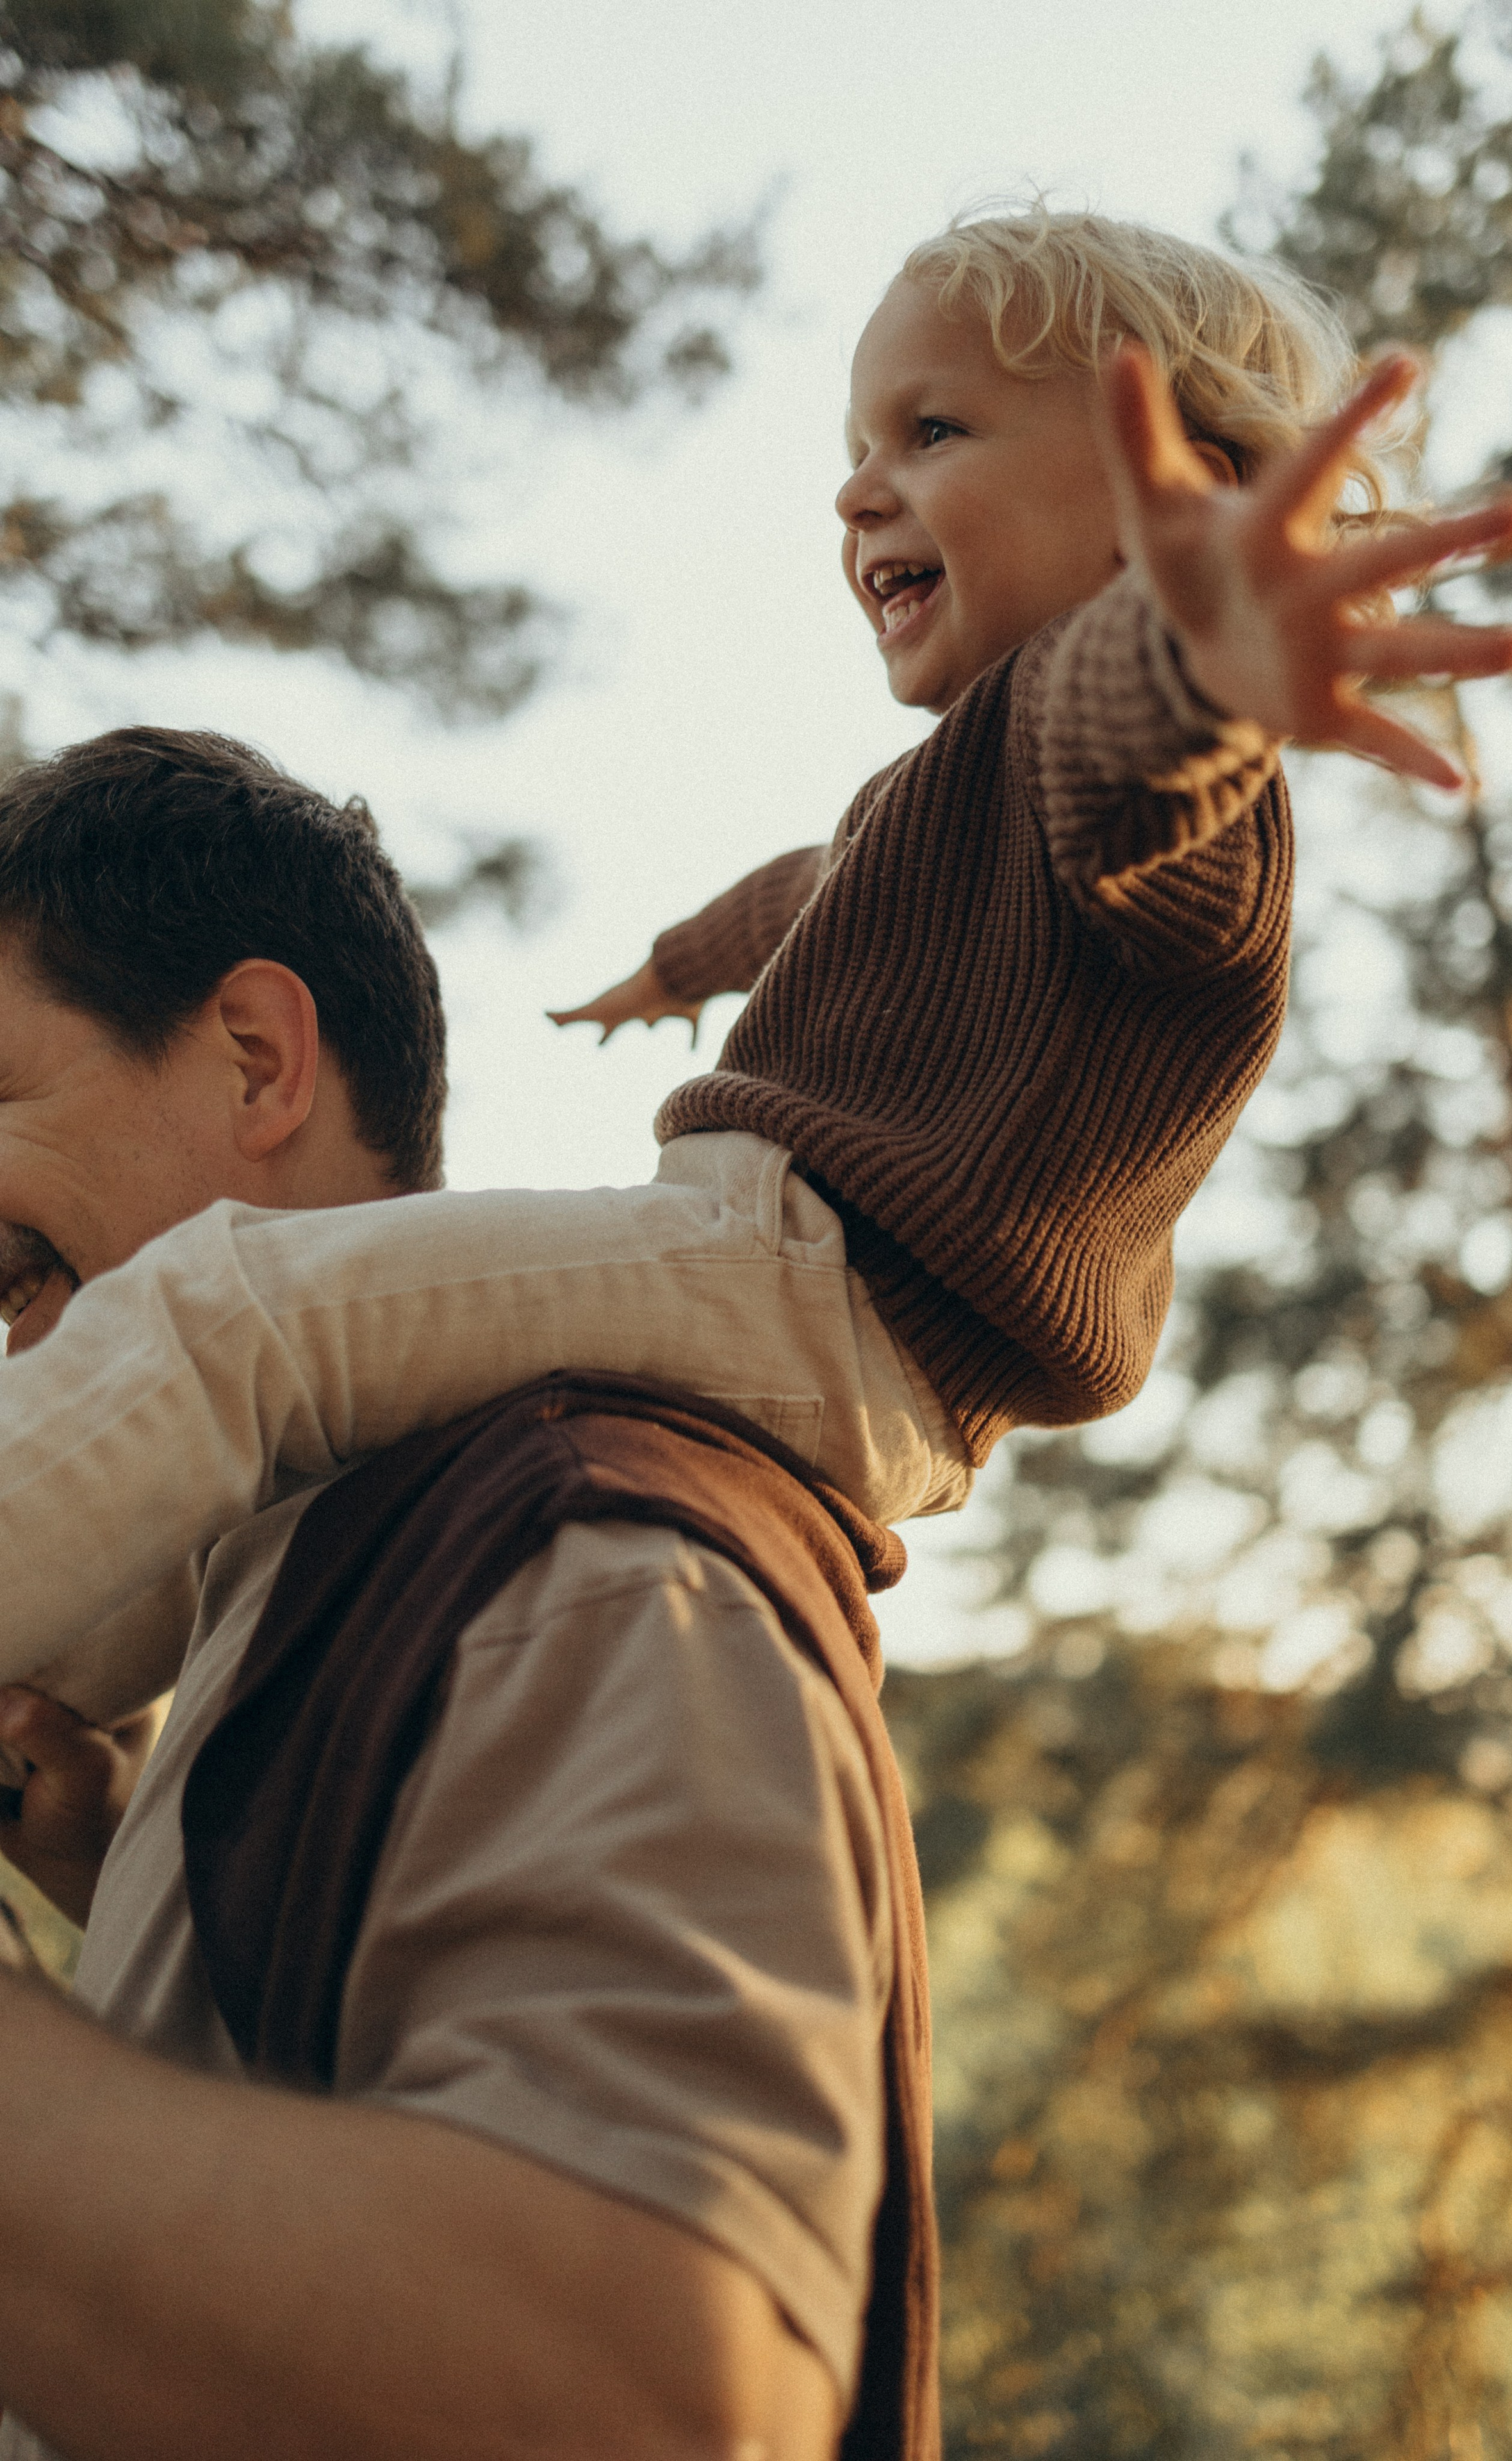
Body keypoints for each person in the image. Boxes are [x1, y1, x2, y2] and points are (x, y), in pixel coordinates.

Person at [0, 210, 1512, 1753]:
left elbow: (1129, 758)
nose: (858, 486)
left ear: (1179, 503)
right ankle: (54, 1703)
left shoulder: (1145, 775)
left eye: (933, 430)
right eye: (859, 440)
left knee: (229, 1307)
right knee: (277, 1441)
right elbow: (810, 898)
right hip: (796, 1292)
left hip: (811, 1288)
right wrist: (673, 970)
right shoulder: (961, 795)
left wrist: (1189, 661)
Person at [0, 733, 907, 2461]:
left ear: (260, 1059)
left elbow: (656, 2398)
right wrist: (131, 1870)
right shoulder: (324, 1599)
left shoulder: (570, 1558)